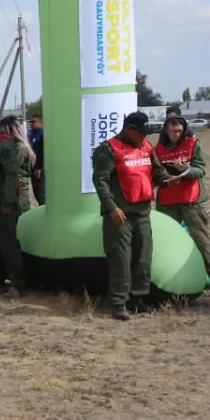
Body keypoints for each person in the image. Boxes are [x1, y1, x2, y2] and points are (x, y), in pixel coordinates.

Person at [92, 111, 168, 321]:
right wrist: (111, 208)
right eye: (141, 132)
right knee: (121, 260)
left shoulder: (146, 147)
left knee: (143, 259)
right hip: (120, 214)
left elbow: (156, 170)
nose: (144, 136)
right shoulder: (108, 149)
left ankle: (138, 299)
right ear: (129, 129)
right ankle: (119, 303)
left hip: (142, 212)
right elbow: (100, 181)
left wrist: (165, 178)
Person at [154, 115, 210, 298]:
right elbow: (153, 175)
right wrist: (164, 178)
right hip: (167, 203)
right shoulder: (156, 150)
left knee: (203, 242)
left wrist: (184, 170)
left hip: (190, 201)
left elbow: (201, 170)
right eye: (172, 130)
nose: (176, 134)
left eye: (179, 130)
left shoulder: (193, 144)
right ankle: (170, 284)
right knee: (167, 243)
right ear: (165, 130)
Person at [0, 115, 31, 293]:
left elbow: (11, 174)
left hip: (3, 200)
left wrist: (7, 200)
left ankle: (18, 282)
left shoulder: (5, 144)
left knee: (7, 242)